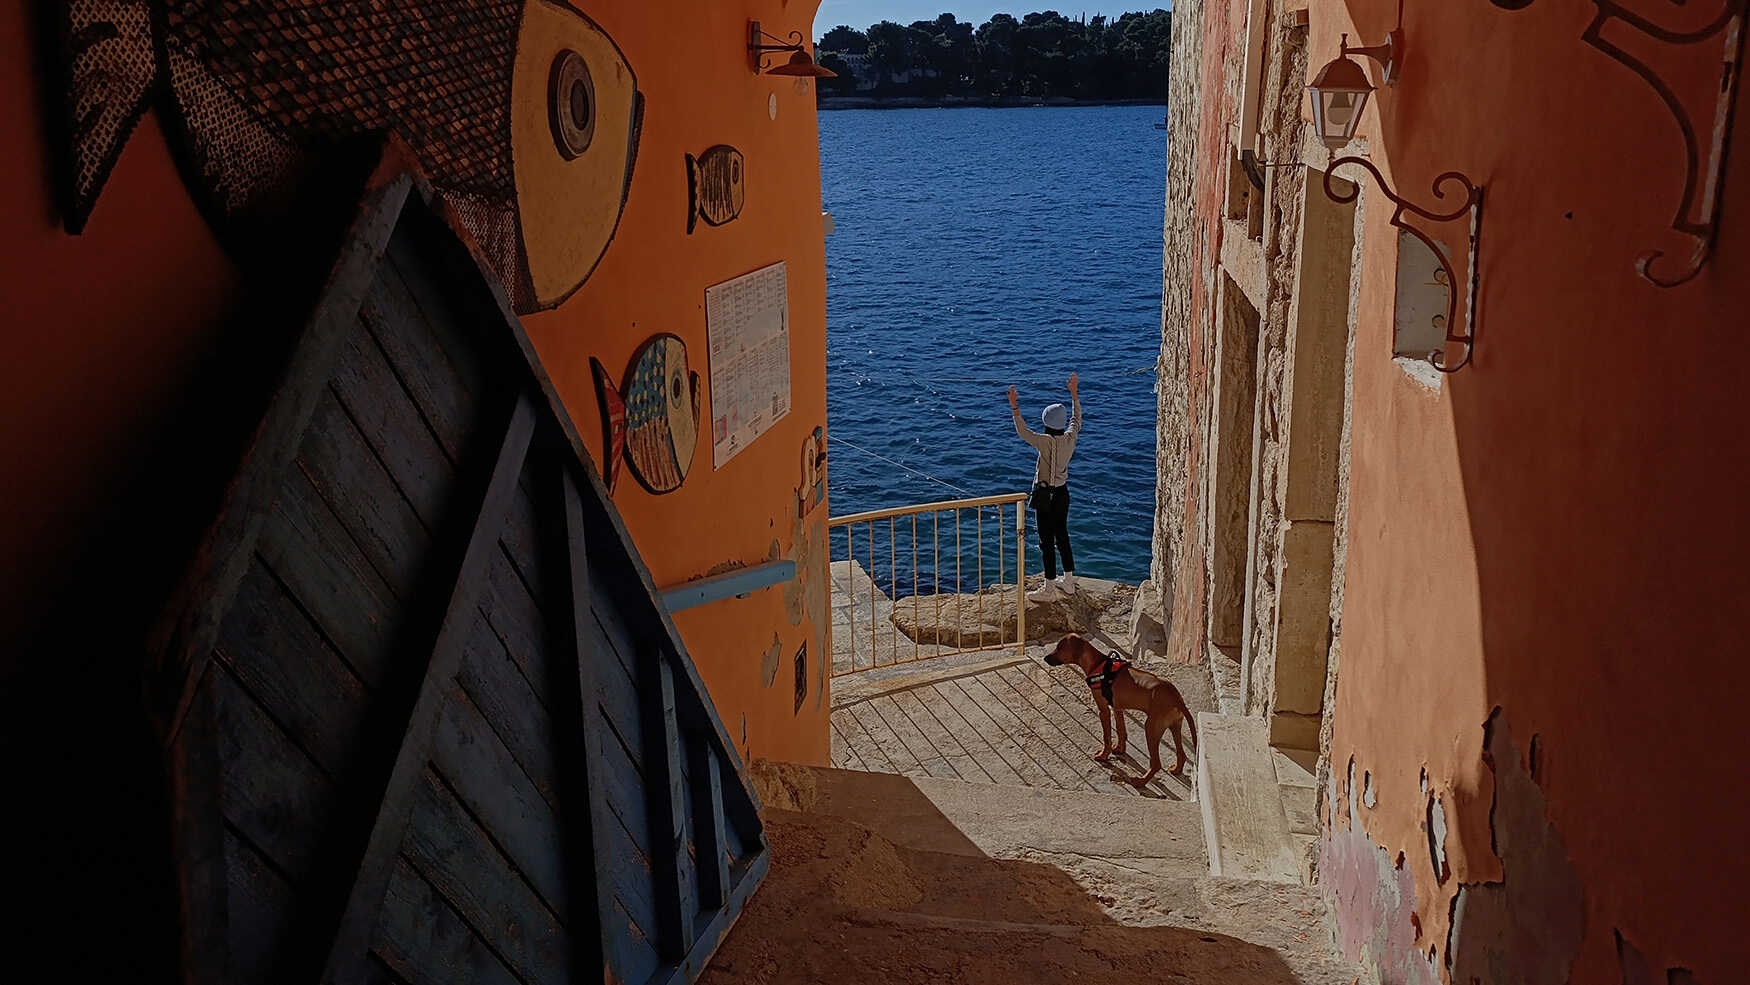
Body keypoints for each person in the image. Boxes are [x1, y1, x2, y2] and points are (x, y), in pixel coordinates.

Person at [1008, 374, 1082, 601]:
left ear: (1046, 423)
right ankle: (1068, 582)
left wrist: (1014, 406)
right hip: (1062, 493)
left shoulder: (1044, 441)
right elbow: (1077, 419)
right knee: (1063, 536)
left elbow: (1023, 432)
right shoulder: (1070, 438)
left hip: (1045, 495)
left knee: (1046, 541)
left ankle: (1049, 588)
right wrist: (1074, 394)